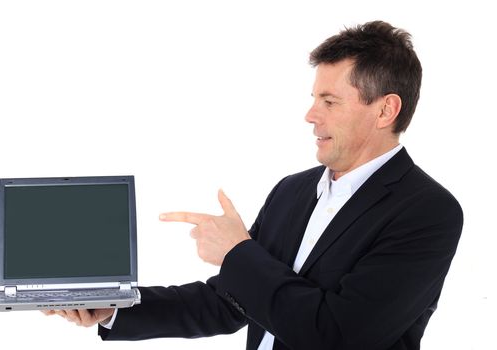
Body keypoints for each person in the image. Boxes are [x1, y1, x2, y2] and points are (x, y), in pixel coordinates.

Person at [43, 20, 463, 350]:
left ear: (386, 109)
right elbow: (227, 303)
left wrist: (237, 253)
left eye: (329, 101)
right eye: (314, 98)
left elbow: (337, 335)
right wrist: (114, 308)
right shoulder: (292, 192)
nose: (310, 115)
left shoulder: (427, 211)